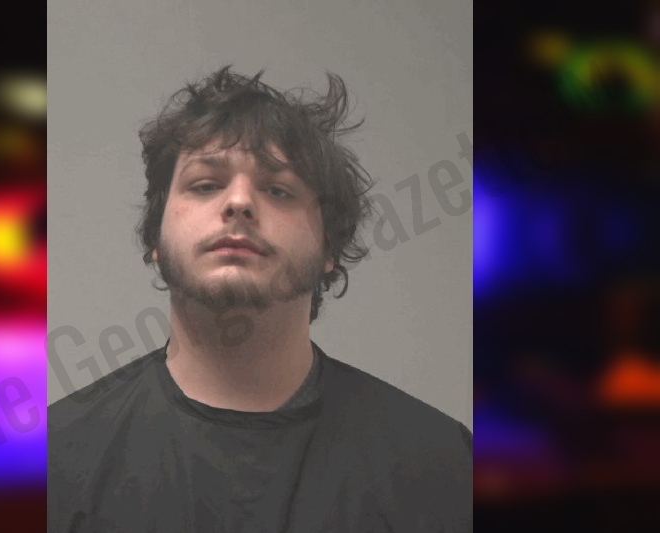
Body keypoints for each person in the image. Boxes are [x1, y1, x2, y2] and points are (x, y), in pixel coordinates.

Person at [48, 66, 472, 532]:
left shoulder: (442, 466)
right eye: (206, 184)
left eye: (278, 190)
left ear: (328, 249)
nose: (239, 202)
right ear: (157, 238)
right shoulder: (53, 463)